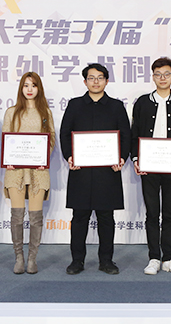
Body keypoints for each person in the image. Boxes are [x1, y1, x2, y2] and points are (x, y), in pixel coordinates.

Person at [60, 63, 131, 275]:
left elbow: (125, 135)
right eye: (91, 78)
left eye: (100, 77)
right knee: (79, 217)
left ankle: (106, 260)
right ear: (85, 82)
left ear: (106, 81)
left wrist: (121, 158)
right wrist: (69, 156)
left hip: (107, 172)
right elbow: (65, 133)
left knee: (106, 218)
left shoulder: (116, 106)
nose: (96, 82)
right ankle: (77, 261)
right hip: (80, 171)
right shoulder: (75, 105)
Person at [130, 57, 171, 275]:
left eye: (166, 74)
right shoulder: (142, 102)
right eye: (158, 74)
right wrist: (136, 159)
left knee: (169, 213)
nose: (162, 78)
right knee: (152, 213)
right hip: (148, 167)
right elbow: (135, 132)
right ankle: (154, 258)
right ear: (153, 77)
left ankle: (169, 258)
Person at [2, 72, 55, 274]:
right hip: (15, 171)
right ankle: (19, 257)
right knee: (17, 216)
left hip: (38, 172)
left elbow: (51, 138)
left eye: (33, 85)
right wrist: (9, 159)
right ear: (21, 88)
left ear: (39, 88)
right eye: (26, 85)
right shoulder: (11, 112)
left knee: (35, 217)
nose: (29, 89)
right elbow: (6, 137)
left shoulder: (45, 112)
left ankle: (32, 258)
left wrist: (44, 158)